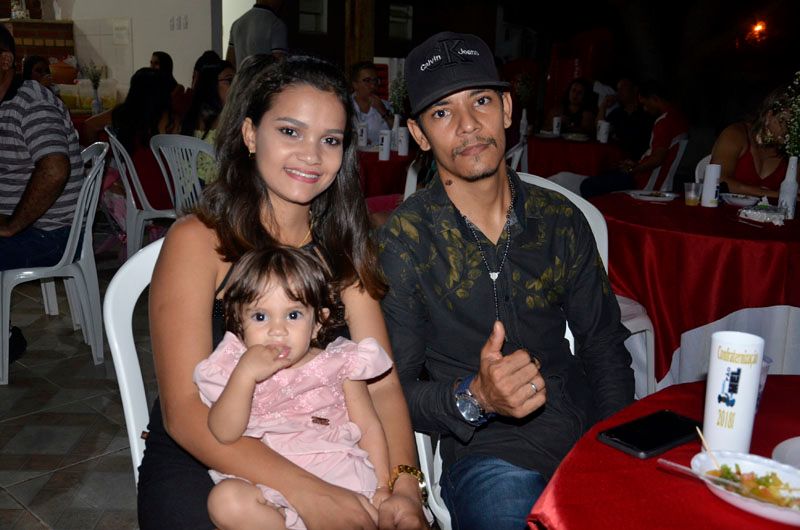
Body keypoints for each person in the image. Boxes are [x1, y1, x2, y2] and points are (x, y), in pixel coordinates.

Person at [137, 54, 428, 530]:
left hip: (323, 444)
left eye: (330, 140)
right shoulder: (198, 241)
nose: (311, 156)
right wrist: (308, 492)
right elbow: (184, 411)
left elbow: (382, 384)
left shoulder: (342, 243)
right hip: (211, 448)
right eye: (291, 132)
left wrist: (405, 487)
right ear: (251, 134)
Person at [377, 31, 634, 529]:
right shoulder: (407, 240)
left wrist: (615, 444)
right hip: (488, 453)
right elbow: (392, 391)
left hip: (583, 433)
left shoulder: (559, 219)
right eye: (442, 112)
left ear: (507, 108)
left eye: (481, 101)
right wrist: (475, 397)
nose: (469, 125)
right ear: (419, 134)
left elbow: (603, 343)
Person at [196, 246, 394, 530]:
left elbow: (369, 426)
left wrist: (384, 486)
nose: (277, 330)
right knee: (225, 501)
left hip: (339, 475)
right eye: (260, 317)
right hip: (271, 483)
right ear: (239, 322)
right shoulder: (234, 368)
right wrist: (244, 376)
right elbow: (223, 432)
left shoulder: (340, 364)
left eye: (293, 315)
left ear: (318, 322)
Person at [1, 26, 83, 362]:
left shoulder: (32, 104)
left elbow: (54, 168)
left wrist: (11, 226)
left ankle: (4, 341)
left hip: (52, 233)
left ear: (5, 61)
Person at [551, 79, 689, 197]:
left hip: (641, 182)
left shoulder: (664, 122)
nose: (645, 109)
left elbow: (657, 159)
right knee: (601, 174)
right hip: (642, 174)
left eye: (646, 104)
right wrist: (635, 165)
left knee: (587, 185)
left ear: (655, 98)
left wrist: (633, 169)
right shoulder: (677, 118)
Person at [110, 67, 180, 210]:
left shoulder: (123, 115)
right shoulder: (167, 118)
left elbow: (90, 124)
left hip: (134, 191)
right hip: (163, 191)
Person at [710, 87, 792, 198]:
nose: (790, 130)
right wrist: (776, 195)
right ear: (769, 115)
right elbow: (717, 180)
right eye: (787, 122)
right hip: (724, 208)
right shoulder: (737, 134)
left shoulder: (792, 151)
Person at [180, 60, 235, 184]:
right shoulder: (226, 121)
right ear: (211, 85)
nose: (236, 86)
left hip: (186, 190)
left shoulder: (190, 116)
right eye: (230, 80)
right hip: (214, 189)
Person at [596, 77, 654, 159]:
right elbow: (600, 131)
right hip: (616, 157)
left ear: (635, 89)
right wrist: (603, 106)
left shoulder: (646, 112)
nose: (619, 92)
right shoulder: (617, 113)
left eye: (623, 88)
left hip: (639, 159)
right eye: (618, 89)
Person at [227, 0, 288, 68]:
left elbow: (230, 62)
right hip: (263, 74)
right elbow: (279, 63)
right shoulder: (276, 24)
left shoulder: (237, 23)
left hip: (241, 74)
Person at [350, 61, 393, 146]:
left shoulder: (385, 106)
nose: (373, 86)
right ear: (355, 85)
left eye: (375, 80)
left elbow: (400, 135)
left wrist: (384, 112)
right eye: (367, 81)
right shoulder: (345, 106)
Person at [151, 50, 189, 116]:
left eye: (156, 63)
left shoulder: (177, 89)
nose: (152, 67)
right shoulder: (150, 86)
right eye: (151, 63)